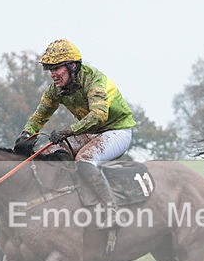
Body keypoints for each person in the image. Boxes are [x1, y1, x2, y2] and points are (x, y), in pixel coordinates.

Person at [14, 39, 136, 227]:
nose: (53, 75)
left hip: (116, 131)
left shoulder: (95, 81)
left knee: (84, 160)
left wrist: (68, 131)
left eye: (57, 69)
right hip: (91, 132)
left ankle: (113, 210)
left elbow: (98, 116)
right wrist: (26, 134)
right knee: (48, 153)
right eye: (50, 70)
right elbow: (40, 116)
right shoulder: (55, 90)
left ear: (72, 65)